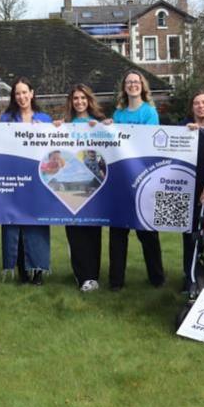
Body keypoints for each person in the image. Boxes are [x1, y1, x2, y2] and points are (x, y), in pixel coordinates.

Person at [105, 71, 164, 290]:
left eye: (136, 82)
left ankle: (157, 278)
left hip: (143, 179)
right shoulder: (118, 114)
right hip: (121, 181)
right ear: (124, 87)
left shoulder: (149, 112)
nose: (132, 85)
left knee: (147, 232)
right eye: (129, 82)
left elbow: (148, 142)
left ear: (142, 86)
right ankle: (116, 281)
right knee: (118, 233)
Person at [0, 77, 52, 285]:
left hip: (39, 180)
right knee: (14, 224)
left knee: (37, 225)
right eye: (17, 93)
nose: (21, 97)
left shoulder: (44, 119)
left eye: (24, 92)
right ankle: (21, 271)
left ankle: (37, 270)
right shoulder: (6, 119)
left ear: (32, 93)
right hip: (13, 179)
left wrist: (55, 128)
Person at [53, 84, 106, 292]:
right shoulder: (66, 124)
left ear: (89, 100)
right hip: (71, 183)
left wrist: (106, 127)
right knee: (74, 231)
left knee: (93, 231)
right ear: (71, 102)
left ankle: (93, 275)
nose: (79, 102)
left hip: (94, 185)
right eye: (75, 98)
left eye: (83, 98)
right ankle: (81, 274)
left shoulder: (99, 123)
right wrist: (55, 128)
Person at [179, 90, 204, 288]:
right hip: (188, 188)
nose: (201, 106)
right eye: (197, 103)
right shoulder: (182, 127)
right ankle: (190, 276)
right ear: (192, 106)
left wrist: (201, 134)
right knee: (190, 234)